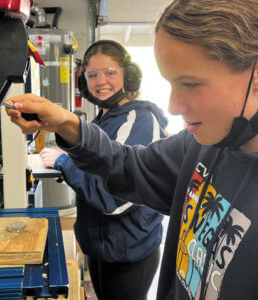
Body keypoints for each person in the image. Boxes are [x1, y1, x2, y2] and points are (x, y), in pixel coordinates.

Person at [6, 0, 258, 299]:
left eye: (190, 84)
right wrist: (65, 123)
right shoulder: (201, 147)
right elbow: (126, 166)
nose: (174, 106)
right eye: (171, 83)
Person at [39, 40, 168, 300]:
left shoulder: (139, 120)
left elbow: (115, 199)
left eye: (110, 73)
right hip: (100, 246)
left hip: (129, 251)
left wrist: (64, 163)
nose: (101, 82)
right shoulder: (105, 118)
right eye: (92, 75)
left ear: (129, 76)